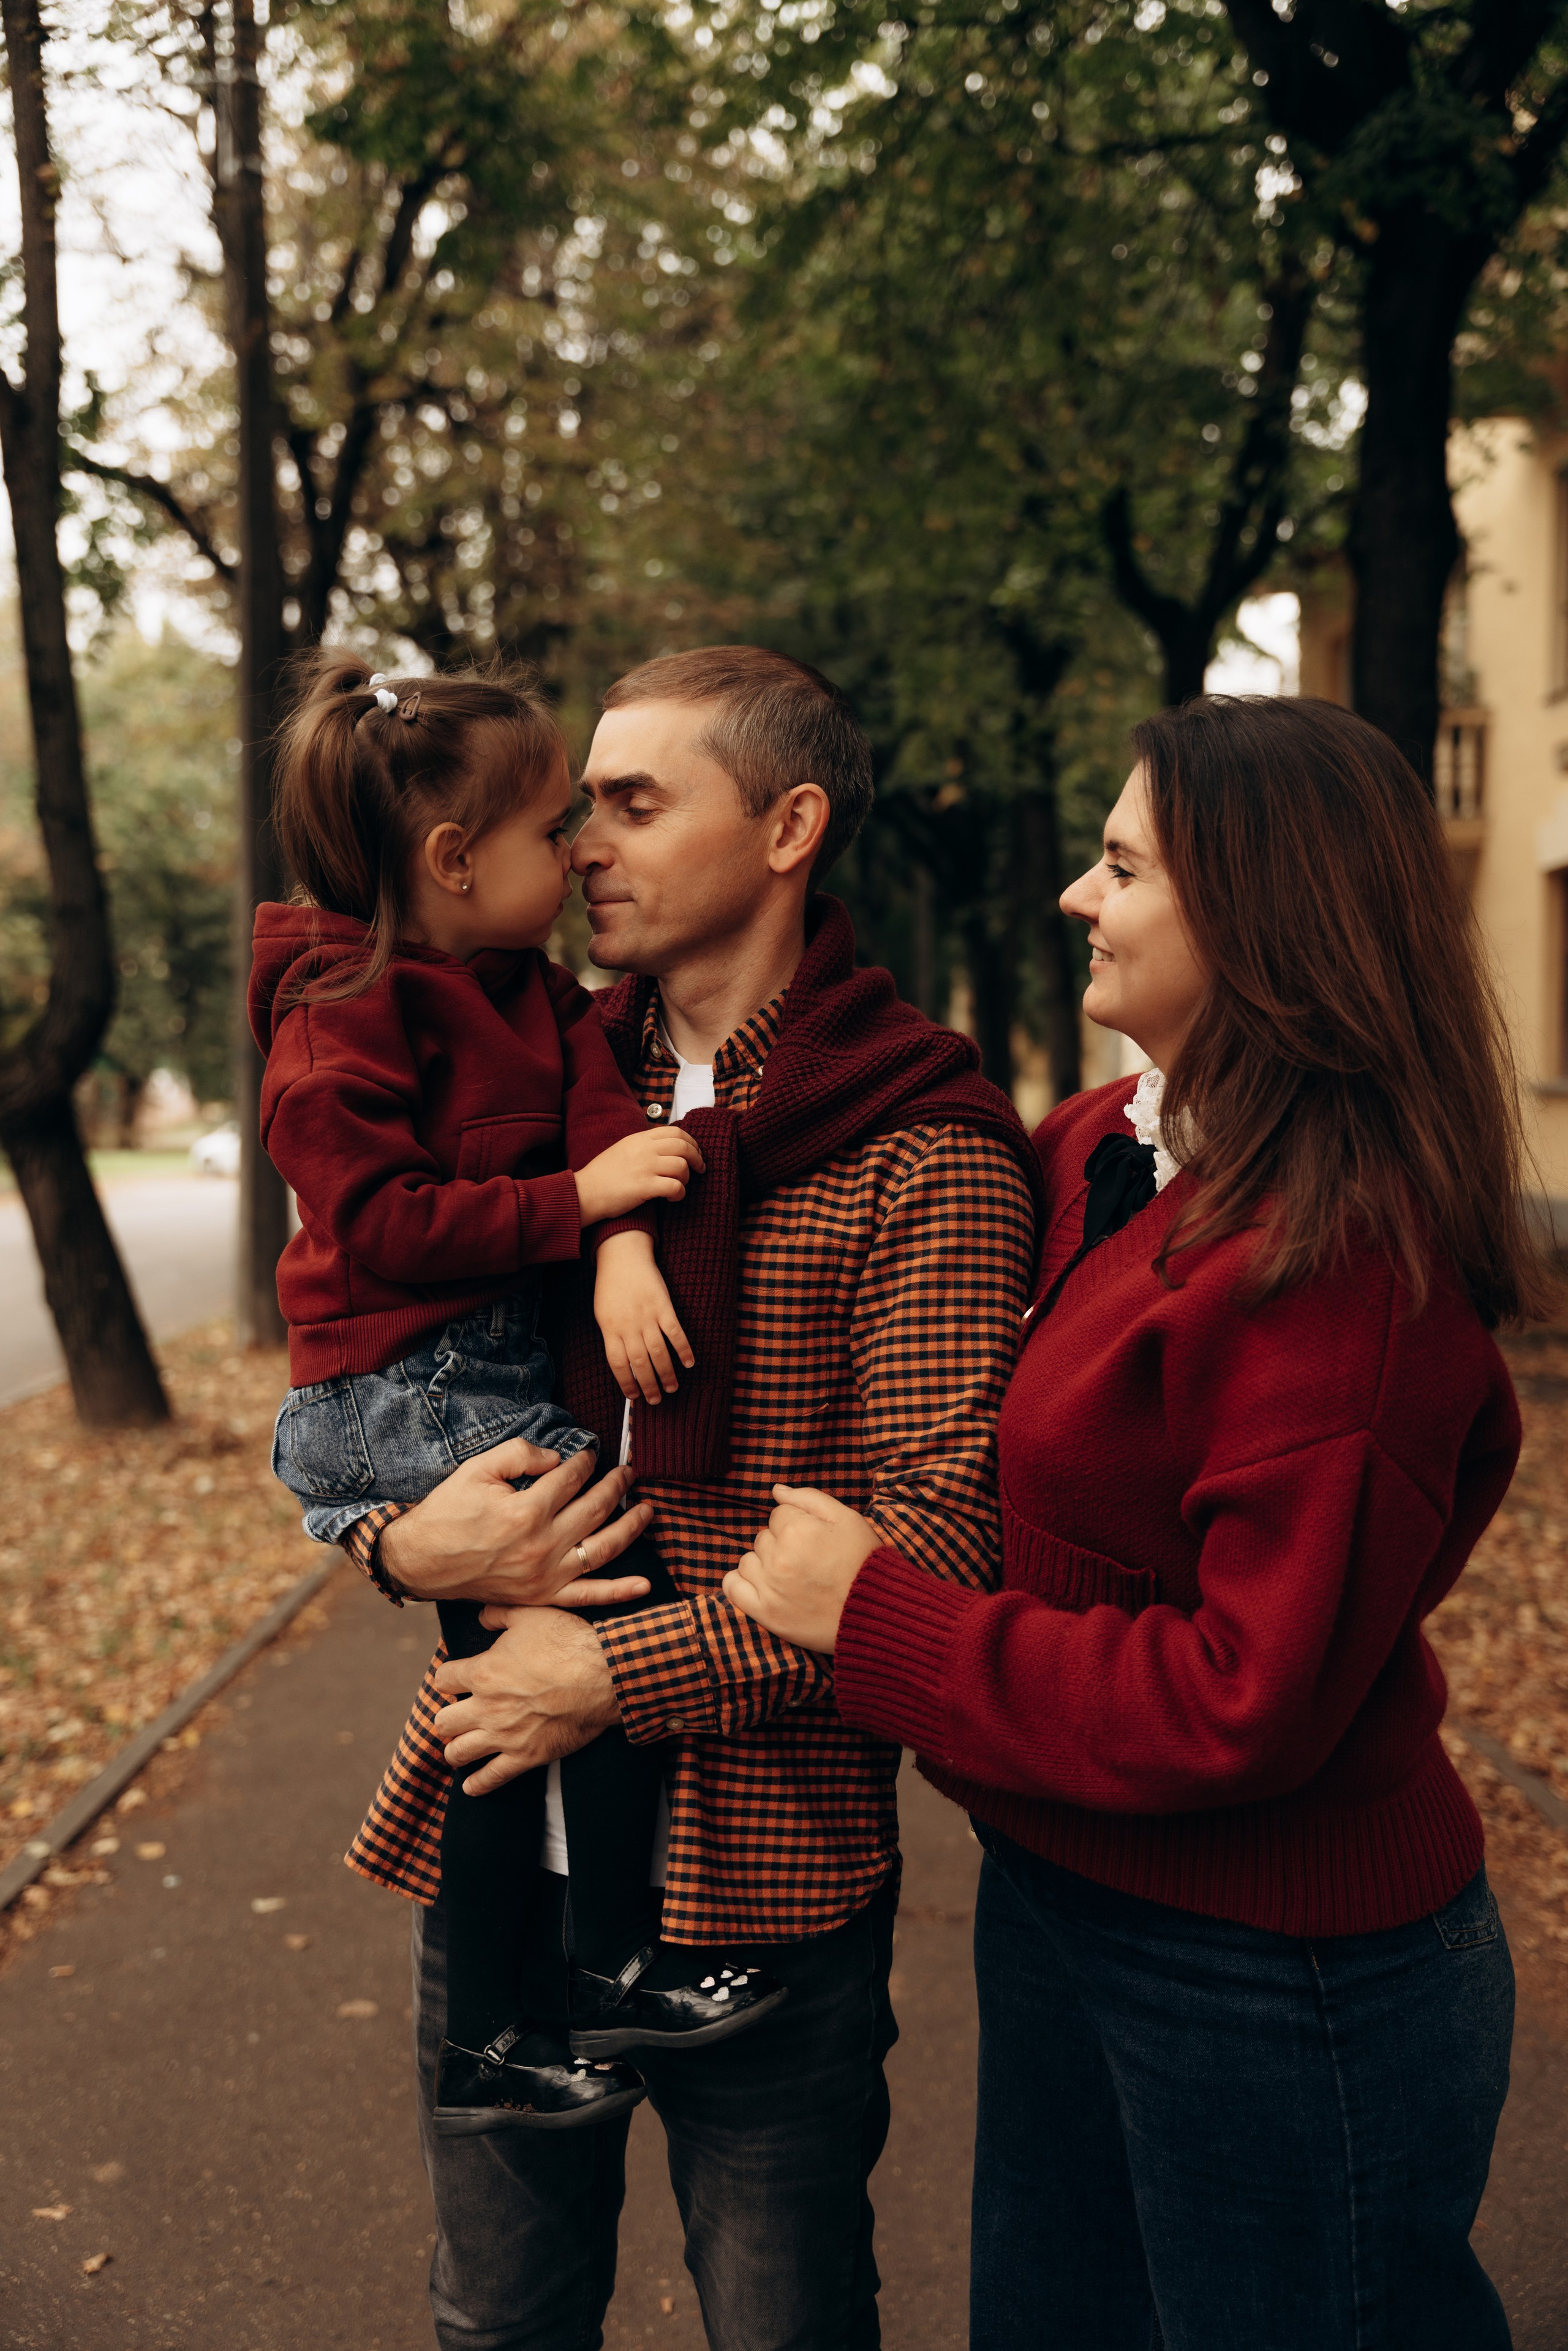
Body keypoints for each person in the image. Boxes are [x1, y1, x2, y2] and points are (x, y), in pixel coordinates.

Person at [724, 695, 1544, 2351]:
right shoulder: (1107, 1146)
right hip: (1061, 1891)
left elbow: (1244, 1697)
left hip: (1273, 1967)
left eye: (1121, 865)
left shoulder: (1341, 1271)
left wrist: (875, 1614)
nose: (1073, 896)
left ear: (1257, 912)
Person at [336, 646, 1043, 2351]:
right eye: (580, 802)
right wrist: (391, 1538)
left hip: (764, 1876)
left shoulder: (924, 1143)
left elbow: (941, 1531)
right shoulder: (524, 1092)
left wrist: (612, 1671)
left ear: (788, 828)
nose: (582, 838)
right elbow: (378, 1367)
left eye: (635, 801)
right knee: (496, 2318)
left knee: (783, 2323)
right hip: (499, 1840)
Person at [252, 652, 783, 2138]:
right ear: (451, 858)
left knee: (528, 1681)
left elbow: (597, 1109)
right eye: (556, 826)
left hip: (471, 1371)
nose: (578, 851)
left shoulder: (527, 990)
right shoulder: (338, 1016)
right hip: (394, 1387)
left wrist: (620, 1245)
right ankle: (581, 1976)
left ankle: (526, 2009)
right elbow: (386, 1226)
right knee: (592, 1622)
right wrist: (576, 1205)